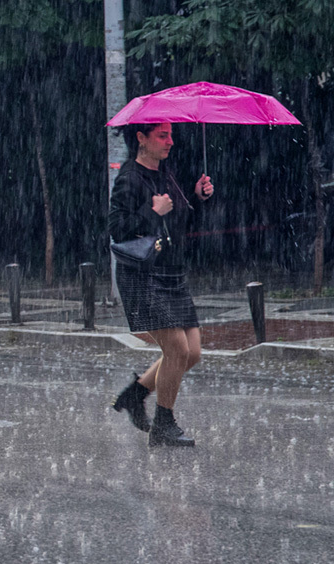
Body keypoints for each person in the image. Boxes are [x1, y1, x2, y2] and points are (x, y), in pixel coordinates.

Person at [108, 123, 213, 447]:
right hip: (143, 275)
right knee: (176, 350)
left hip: (171, 272)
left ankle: (134, 394)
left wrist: (197, 196)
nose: (170, 141)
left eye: (170, 135)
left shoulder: (166, 173)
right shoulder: (129, 177)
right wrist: (151, 212)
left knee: (191, 353)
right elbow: (118, 229)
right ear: (141, 138)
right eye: (162, 135)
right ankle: (164, 427)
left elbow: (179, 220)